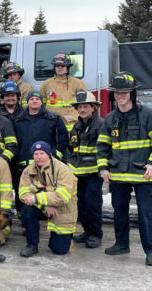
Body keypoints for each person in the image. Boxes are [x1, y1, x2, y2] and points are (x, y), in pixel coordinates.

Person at [97, 72, 152, 265]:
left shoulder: (147, 114)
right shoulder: (110, 118)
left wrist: (151, 163)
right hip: (118, 174)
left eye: (124, 92)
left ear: (132, 93)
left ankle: (150, 251)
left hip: (142, 175)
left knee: (146, 213)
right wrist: (103, 168)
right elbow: (102, 146)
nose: (119, 96)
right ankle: (121, 244)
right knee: (119, 210)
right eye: (116, 92)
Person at [18, 141, 78, 257]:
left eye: (42, 153)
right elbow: (23, 194)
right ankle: (31, 245)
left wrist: (37, 196)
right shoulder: (28, 170)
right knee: (27, 210)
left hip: (62, 210)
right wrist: (45, 205)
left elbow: (62, 197)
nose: (39, 157)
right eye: (36, 154)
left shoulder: (62, 169)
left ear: (48, 154)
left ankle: (66, 236)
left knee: (59, 250)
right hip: (44, 207)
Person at [13, 91, 68, 216]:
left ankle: (45, 215)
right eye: (31, 99)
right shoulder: (18, 120)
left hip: (47, 165)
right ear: (27, 101)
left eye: (37, 99)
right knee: (23, 190)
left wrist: (56, 156)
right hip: (23, 164)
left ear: (42, 101)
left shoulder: (53, 118)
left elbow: (63, 138)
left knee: (46, 189)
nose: (34, 101)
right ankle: (23, 218)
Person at [68, 91, 104, 248]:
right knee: (81, 204)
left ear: (93, 108)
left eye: (85, 107)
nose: (82, 109)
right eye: (79, 107)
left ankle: (96, 234)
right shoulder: (76, 127)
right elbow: (71, 149)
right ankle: (87, 231)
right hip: (79, 173)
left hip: (94, 173)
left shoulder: (100, 125)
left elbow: (103, 149)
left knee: (92, 203)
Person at [39, 53, 87, 132]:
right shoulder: (46, 84)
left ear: (67, 67)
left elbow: (84, 104)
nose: (60, 68)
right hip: (51, 123)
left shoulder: (78, 83)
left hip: (71, 125)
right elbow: (41, 104)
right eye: (57, 66)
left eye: (63, 66)